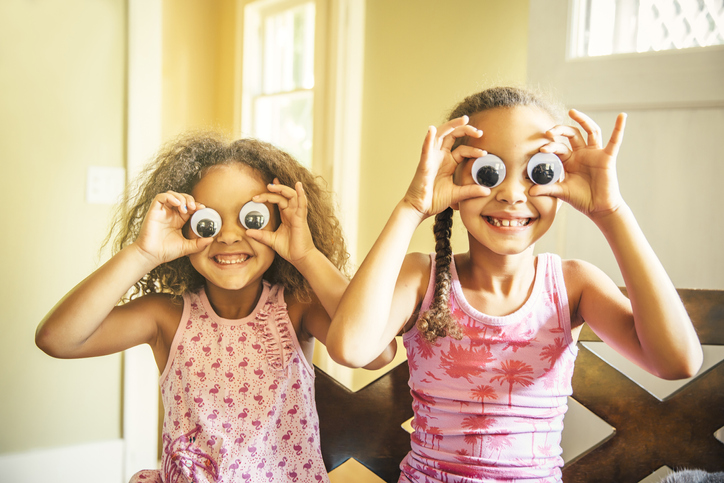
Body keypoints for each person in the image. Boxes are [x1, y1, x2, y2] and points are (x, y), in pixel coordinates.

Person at [326, 86, 703, 482]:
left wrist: (611, 212)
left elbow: (677, 362)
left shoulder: (573, 285)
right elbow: (352, 348)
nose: (511, 194)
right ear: (452, 182)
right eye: (489, 172)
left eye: (538, 172)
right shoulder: (423, 277)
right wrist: (412, 206)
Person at [36, 133, 394, 483]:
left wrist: (305, 255)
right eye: (209, 222)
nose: (227, 236)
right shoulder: (167, 316)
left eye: (250, 218)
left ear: (280, 221)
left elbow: (377, 352)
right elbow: (57, 339)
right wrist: (143, 253)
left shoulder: (295, 308)